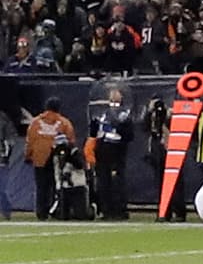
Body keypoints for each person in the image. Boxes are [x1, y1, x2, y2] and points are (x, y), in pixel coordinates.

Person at [25, 97, 76, 221]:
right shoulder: (64, 122)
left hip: (39, 158)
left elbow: (30, 141)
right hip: (57, 159)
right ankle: (56, 210)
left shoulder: (36, 122)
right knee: (56, 185)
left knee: (41, 186)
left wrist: (28, 156)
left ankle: (41, 212)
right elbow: (71, 141)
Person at [87, 87, 134, 220]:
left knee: (117, 181)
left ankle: (119, 210)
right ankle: (105, 209)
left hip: (116, 151)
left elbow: (129, 135)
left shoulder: (124, 115)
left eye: (116, 99)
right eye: (111, 99)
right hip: (103, 151)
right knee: (103, 182)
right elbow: (94, 133)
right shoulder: (103, 114)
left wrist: (116, 127)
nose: (113, 102)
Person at [143, 96, 186, 222]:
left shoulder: (171, 116)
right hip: (158, 153)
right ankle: (164, 212)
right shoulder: (152, 117)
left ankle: (179, 211)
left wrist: (168, 116)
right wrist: (150, 112)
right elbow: (145, 128)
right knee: (161, 183)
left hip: (172, 151)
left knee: (176, 183)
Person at [0, 107, 17, 219]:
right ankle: (6, 212)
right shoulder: (3, 118)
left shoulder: (3, 118)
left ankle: (6, 212)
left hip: (1, 160)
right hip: (2, 159)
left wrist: (5, 155)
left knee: (1, 188)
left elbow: (10, 140)